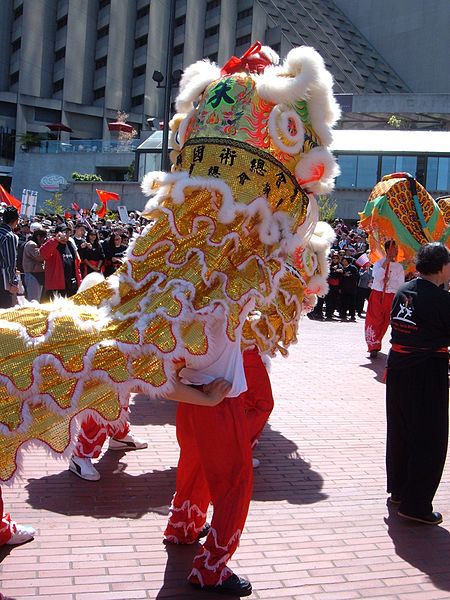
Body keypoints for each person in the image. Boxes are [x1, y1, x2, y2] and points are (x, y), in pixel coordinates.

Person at [386, 242, 450, 525]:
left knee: (401, 431)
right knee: (429, 438)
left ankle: (400, 491)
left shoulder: (404, 290)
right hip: (426, 371)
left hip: (399, 369)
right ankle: (416, 504)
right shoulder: (440, 300)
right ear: (442, 267)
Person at [69, 377, 232, 481]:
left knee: (121, 390)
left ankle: (120, 435)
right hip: (113, 345)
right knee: (107, 394)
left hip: (135, 338)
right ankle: (81, 455)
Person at [365, 240, 404, 358]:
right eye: (393, 249)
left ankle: (378, 340)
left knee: (385, 321)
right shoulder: (378, 263)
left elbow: (400, 283)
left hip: (390, 295)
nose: (395, 251)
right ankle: (372, 345)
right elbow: (376, 277)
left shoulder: (399, 267)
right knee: (374, 319)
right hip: (377, 294)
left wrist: (390, 282)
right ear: (387, 250)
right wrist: (385, 265)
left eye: (396, 249)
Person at [40, 224, 82, 299]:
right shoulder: (52, 243)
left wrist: (79, 283)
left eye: (68, 232)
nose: (66, 234)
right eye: (63, 232)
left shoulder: (70, 245)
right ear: (56, 233)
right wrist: (55, 240)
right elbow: (43, 253)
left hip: (71, 286)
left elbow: (76, 266)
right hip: (56, 287)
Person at [0, 206, 20, 309]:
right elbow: (10, 261)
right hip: (2, 279)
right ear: (16, 220)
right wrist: (13, 282)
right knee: (4, 313)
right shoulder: (9, 236)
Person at [23, 224, 47, 302]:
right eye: (43, 237)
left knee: (38, 299)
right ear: (38, 237)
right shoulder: (31, 245)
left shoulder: (36, 245)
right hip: (32, 275)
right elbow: (40, 257)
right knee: (33, 300)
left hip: (37, 274)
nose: (44, 239)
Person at [339, 256, 359, 321]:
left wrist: (349, 275)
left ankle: (352, 315)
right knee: (343, 302)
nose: (344, 262)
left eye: (345, 261)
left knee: (352, 303)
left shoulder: (353, 268)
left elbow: (357, 276)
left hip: (351, 289)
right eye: (343, 261)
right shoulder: (341, 268)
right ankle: (343, 314)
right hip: (343, 288)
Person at [324, 252, 343, 320]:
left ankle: (331, 313)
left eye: (336, 258)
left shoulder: (340, 266)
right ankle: (328, 314)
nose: (335, 259)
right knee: (328, 300)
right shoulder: (329, 265)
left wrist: (335, 271)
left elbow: (340, 276)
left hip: (336, 287)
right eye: (334, 258)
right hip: (329, 286)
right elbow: (329, 274)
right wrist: (335, 271)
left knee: (334, 301)